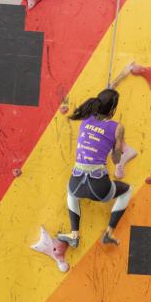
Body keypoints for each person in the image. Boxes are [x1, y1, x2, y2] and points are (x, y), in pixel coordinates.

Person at [57, 88, 131, 247]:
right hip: (99, 187)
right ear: (113, 110)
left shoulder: (86, 118)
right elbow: (115, 158)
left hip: (77, 183)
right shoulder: (117, 128)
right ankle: (108, 233)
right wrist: (115, 148)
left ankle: (74, 234)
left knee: (71, 193)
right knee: (127, 190)